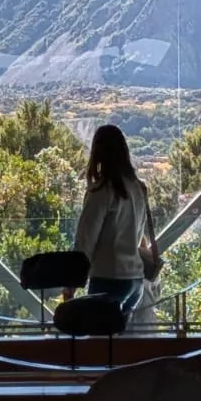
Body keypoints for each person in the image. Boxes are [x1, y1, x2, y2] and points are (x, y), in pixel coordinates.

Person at [67, 124, 154, 316]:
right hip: (135, 280)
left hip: (108, 277)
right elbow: (139, 233)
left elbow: (86, 240)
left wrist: (72, 282)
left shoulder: (102, 191)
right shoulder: (138, 187)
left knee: (97, 334)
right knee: (118, 333)